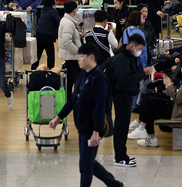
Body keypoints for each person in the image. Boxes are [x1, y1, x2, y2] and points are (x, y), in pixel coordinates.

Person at [49, 44, 125, 187]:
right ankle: (115, 184)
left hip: (92, 128)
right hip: (82, 126)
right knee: (88, 162)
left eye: (81, 57)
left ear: (91, 58)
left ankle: (113, 184)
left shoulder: (99, 79)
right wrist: (58, 117)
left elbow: (100, 106)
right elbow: (72, 99)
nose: (78, 60)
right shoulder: (82, 75)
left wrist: (96, 132)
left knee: (85, 166)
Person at [128, 56, 182, 147]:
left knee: (150, 102)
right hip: (180, 106)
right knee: (149, 97)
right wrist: (170, 91)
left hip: (181, 111)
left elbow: (178, 98)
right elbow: (181, 95)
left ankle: (145, 130)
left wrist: (169, 85)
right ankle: (144, 129)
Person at [106, 33, 152, 167]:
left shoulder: (127, 57)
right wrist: (143, 73)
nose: (139, 52)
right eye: (139, 49)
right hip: (120, 95)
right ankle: (120, 157)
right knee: (121, 125)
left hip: (124, 94)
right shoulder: (121, 59)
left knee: (123, 125)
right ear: (132, 46)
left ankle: (122, 154)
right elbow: (125, 80)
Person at [58, 1, 83, 102]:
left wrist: (77, 33)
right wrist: (78, 51)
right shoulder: (68, 24)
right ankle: (77, 101)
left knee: (69, 82)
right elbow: (67, 42)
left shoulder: (67, 21)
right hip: (73, 57)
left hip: (70, 57)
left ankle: (69, 101)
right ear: (74, 10)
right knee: (77, 80)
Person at [32, 0, 61, 70]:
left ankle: (33, 71)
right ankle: (51, 70)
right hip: (47, 35)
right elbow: (59, 21)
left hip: (39, 33)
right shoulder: (53, 11)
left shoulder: (43, 9)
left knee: (37, 54)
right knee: (50, 54)